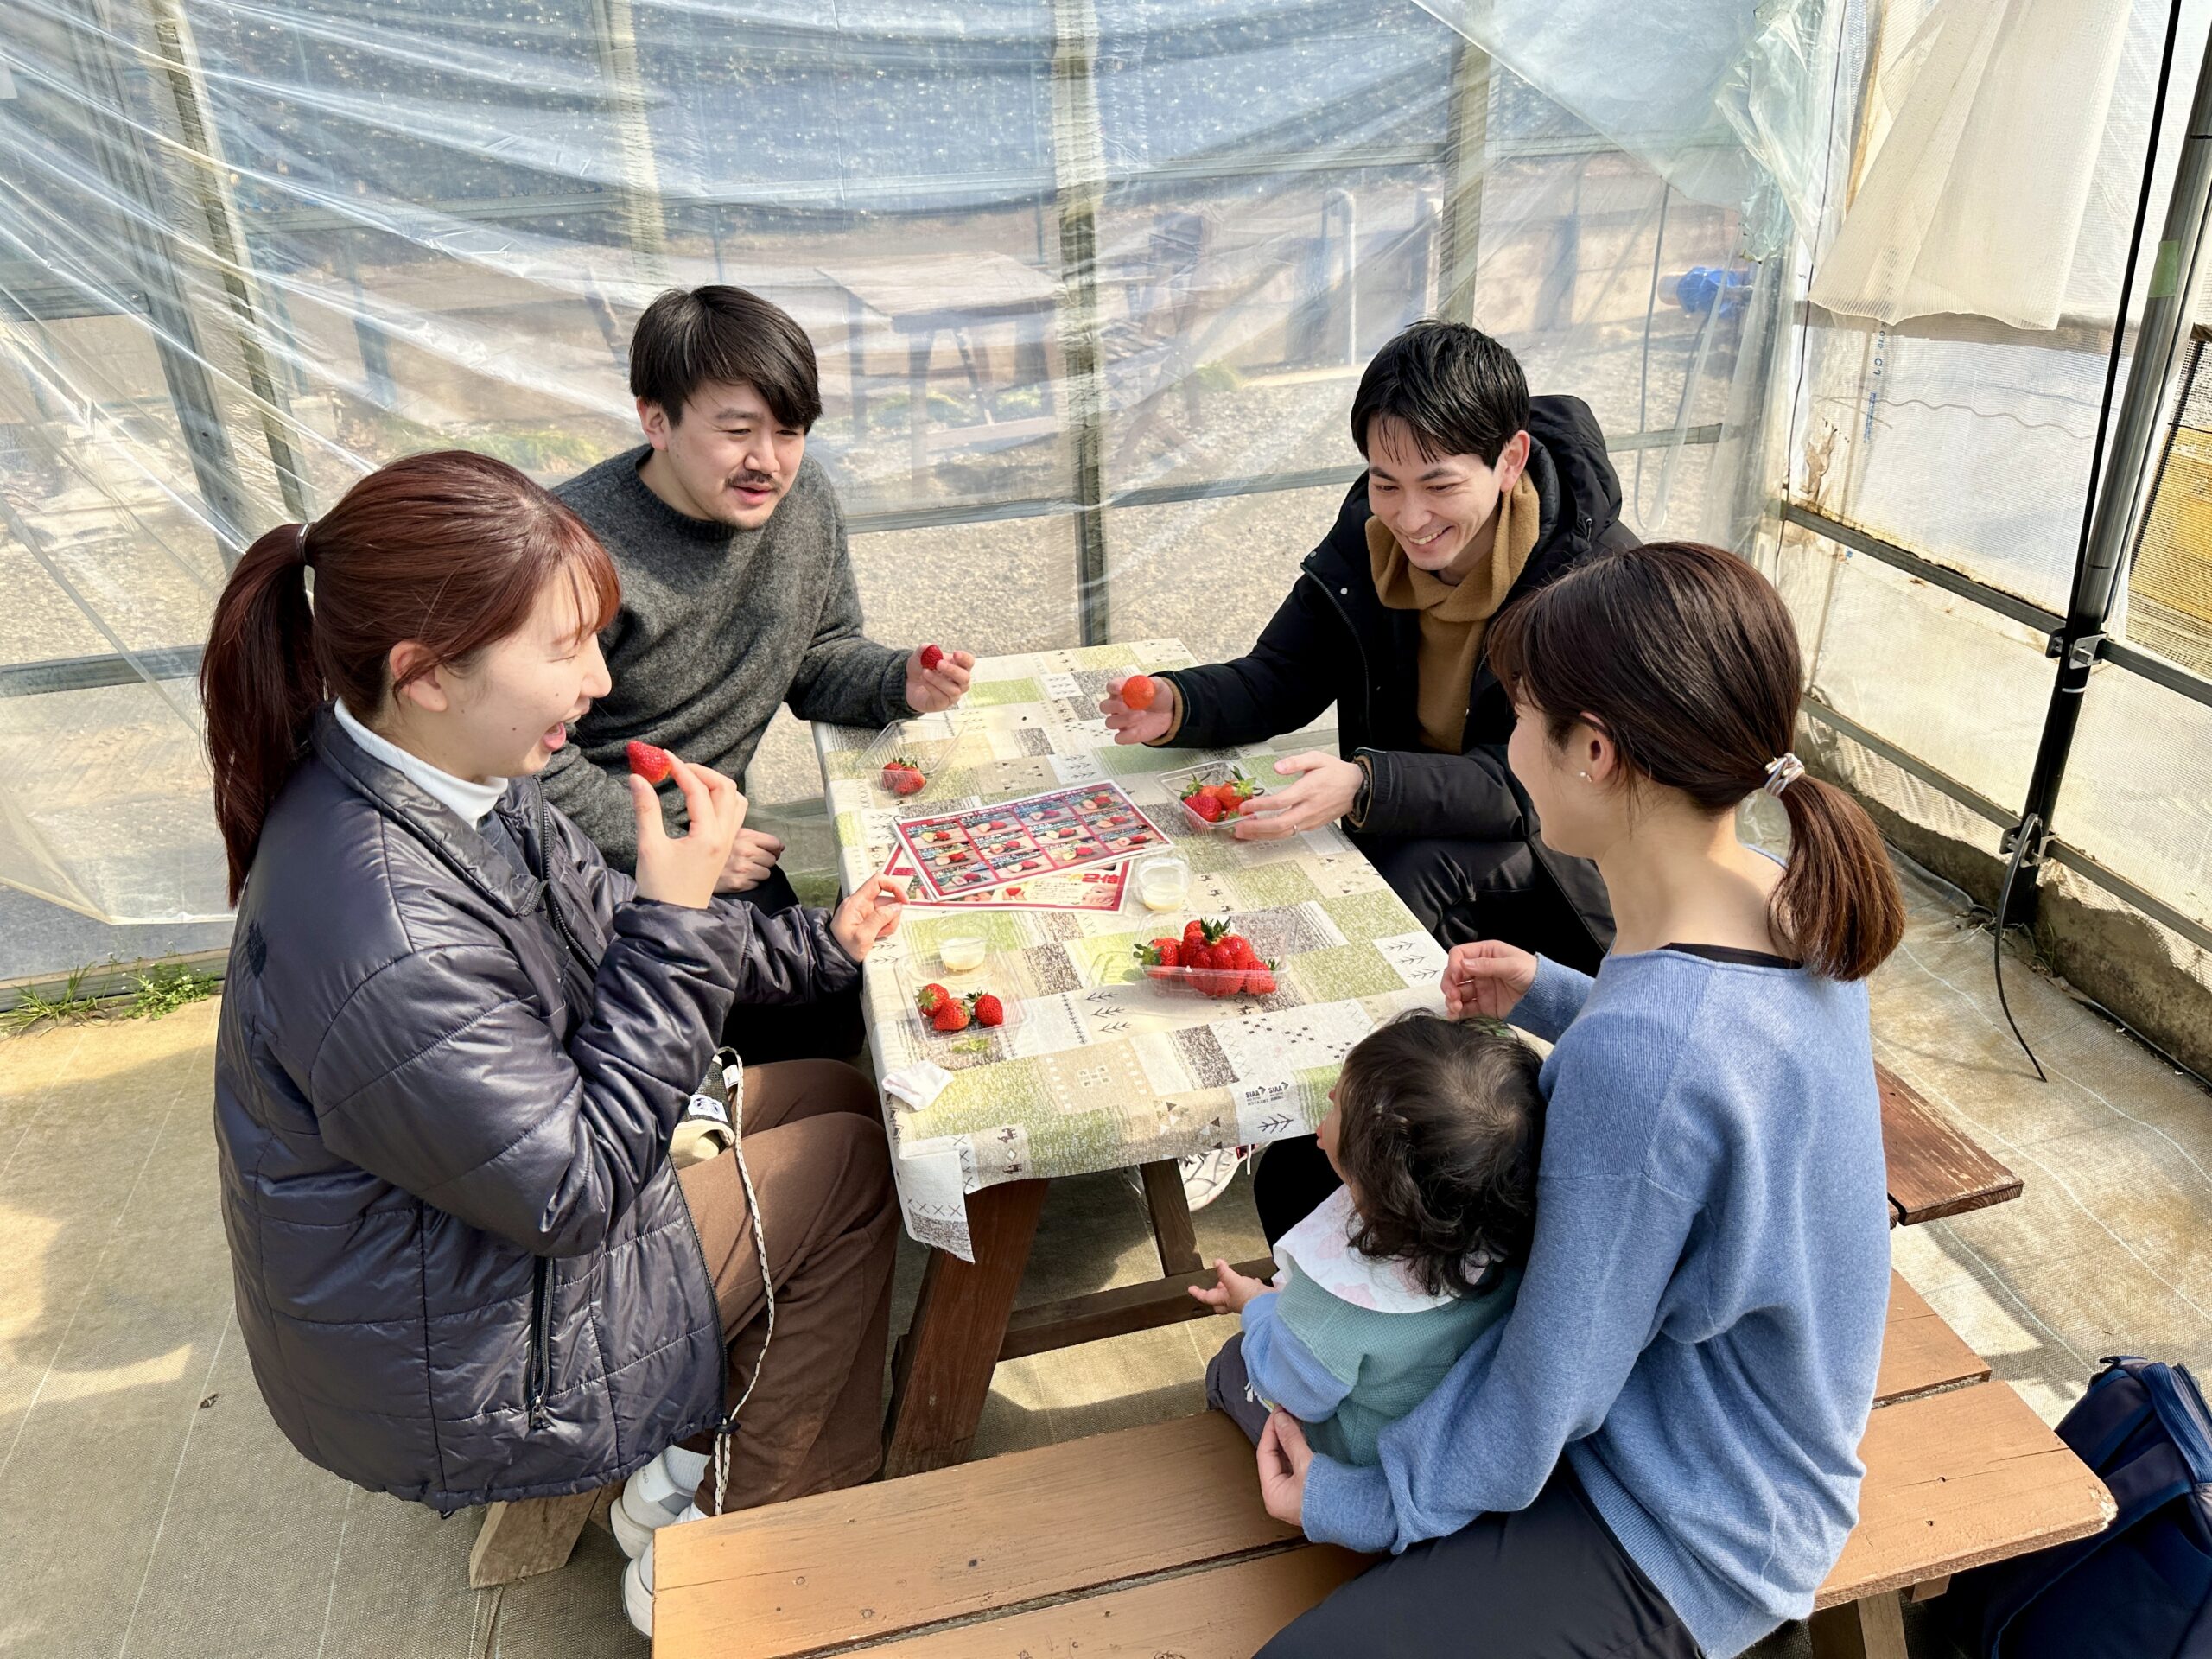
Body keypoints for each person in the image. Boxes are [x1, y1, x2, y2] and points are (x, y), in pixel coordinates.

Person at [199, 451, 906, 1640]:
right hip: (464, 1356)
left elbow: (604, 921)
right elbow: (574, 1190)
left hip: (465, 1245)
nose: (598, 679)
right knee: (850, 1174)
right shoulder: (388, 933)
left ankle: (685, 1468)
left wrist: (819, 945)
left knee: (837, 1092)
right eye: (565, 647)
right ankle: (752, 1554)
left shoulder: (442, 773)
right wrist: (680, 918)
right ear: (424, 673)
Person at [1247, 541, 1907, 1659]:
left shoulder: (1644, 1060)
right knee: (1279, 1308)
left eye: (1521, 716)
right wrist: (1555, 993)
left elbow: (1545, 1393)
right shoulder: (1787, 900)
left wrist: (1360, 1502)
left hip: (1688, 1520)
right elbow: (1700, 1063)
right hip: (1755, 1429)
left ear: (1594, 753)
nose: (1509, 743)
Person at [1098, 319, 1633, 976]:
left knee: (1395, 886)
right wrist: (1179, 703)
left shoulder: (1593, 582)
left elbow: (1536, 783)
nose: (1410, 518)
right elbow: (1284, 673)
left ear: (1510, 461)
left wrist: (1366, 785)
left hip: (1558, 852)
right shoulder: (1370, 535)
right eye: (1386, 483)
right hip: (1405, 812)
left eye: (1439, 486)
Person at [543, 283, 977, 1065]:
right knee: (721, 1051)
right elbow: (525, 762)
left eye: (790, 431)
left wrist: (898, 682)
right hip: (587, 865)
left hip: (720, 842)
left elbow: (819, 654)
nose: (768, 462)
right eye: (738, 430)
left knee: (857, 1001)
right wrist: (676, 843)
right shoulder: (572, 548)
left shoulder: (803, 502)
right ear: (655, 420)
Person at [1191, 1014, 1543, 1467]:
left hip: (1353, 1456)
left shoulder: (1333, 1298)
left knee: (1230, 1363)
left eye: (1340, 1105)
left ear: (1375, 1175)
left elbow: (1292, 1389)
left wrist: (1256, 1306)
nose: (1330, 1096)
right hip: (1439, 1429)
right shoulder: (1503, 1231)